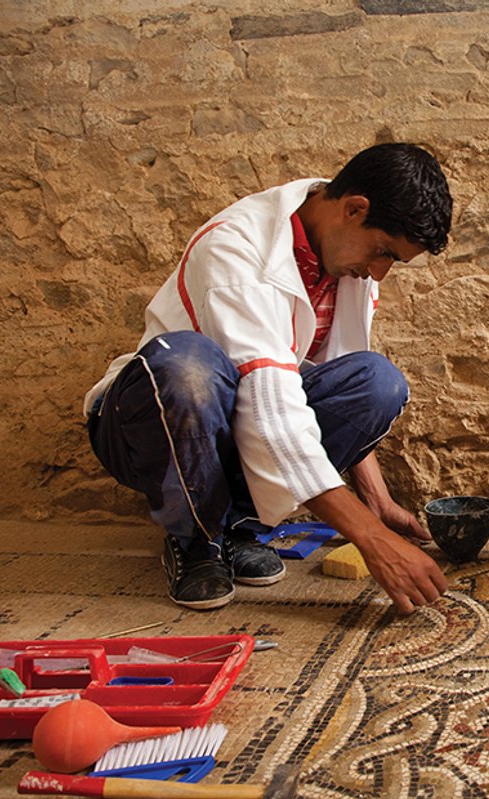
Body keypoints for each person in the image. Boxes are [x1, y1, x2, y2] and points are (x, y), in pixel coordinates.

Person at [84, 143, 452, 614]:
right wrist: (370, 537)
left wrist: (375, 500)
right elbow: (270, 405)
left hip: (244, 419)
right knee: (189, 368)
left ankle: (235, 526)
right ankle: (195, 539)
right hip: (144, 421)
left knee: (376, 381)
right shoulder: (236, 248)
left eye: (392, 261)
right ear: (354, 208)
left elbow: (324, 380)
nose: (378, 272)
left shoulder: (343, 256)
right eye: (383, 252)